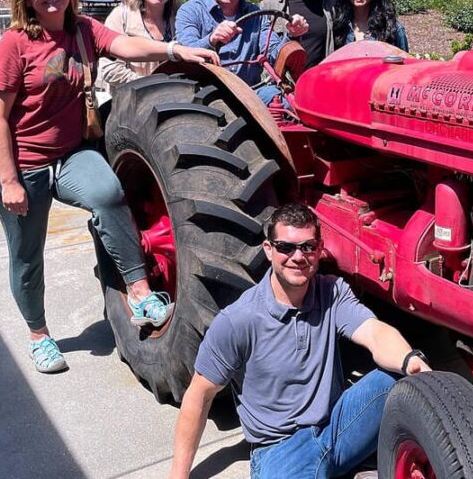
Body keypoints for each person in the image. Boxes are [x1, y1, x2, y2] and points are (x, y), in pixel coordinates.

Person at [0, 0, 219, 374]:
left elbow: (125, 46)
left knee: (110, 194)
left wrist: (175, 50)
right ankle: (39, 336)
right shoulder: (14, 44)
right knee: (26, 255)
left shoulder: (83, 30)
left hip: (71, 155)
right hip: (22, 164)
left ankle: (139, 291)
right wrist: (9, 181)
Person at [169, 204, 431, 479]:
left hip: (337, 427)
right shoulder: (238, 321)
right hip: (282, 449)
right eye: (286, 247)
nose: (298, 257)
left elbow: (375, 333)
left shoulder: (331, 292)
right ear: (268, 250)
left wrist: (410, 361)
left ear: (319, 250)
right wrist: (178, 475)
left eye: (307, 247)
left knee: (399, 378)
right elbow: (200, 394)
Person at [175, 0, 309, 106]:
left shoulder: (256, 14)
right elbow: (185, 53)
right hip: (207, 95)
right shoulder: (190, 11)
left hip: (252, 93)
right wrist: (211, 40)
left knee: (287, 104)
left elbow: (273, 53)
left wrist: (292, 34)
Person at [98, 0, 181, 88]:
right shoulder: (121, 17)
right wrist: (149, 86)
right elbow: (109, 68)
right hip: (130, 102)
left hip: (172, 100)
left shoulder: (179, 19)